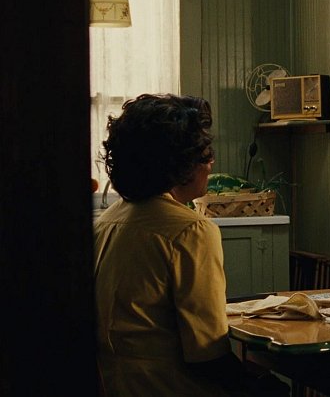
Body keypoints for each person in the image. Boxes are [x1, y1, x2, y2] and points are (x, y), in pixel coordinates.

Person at [94, 93, 287, 396]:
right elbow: (206, 355)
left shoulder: (106, 221)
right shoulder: (190, 230)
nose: (211, 164)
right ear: (181, 163)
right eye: (205, 154)